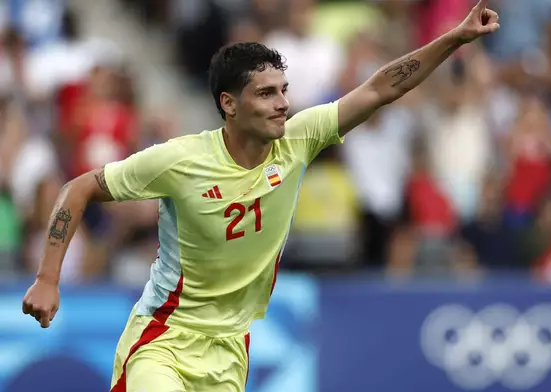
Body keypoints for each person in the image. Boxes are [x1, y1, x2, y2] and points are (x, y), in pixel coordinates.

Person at [21, 1, 500, 391]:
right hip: (163, 340)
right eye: (267, 94)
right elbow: (78, 187)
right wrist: (47, 278)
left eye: (284, 90)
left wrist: (453, 40)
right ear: (229, 104)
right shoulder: (180, 161)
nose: (283, 103)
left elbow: (380, 89)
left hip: (231, 351)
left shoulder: (298, 139)